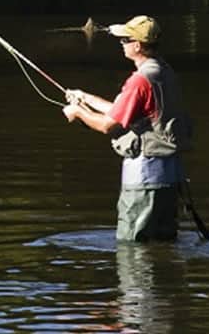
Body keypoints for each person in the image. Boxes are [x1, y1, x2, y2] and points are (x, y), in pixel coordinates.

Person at [61, 15, 191, 243]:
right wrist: (85, 98)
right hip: (170, 178)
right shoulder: (164, 71)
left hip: (144, 179)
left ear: (138, 45)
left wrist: (78, 112)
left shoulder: (140, 80)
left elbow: (107, 125)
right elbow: (126, 112)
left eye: (124, 40)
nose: (121, 44)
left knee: (132, 249)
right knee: (163, 244)